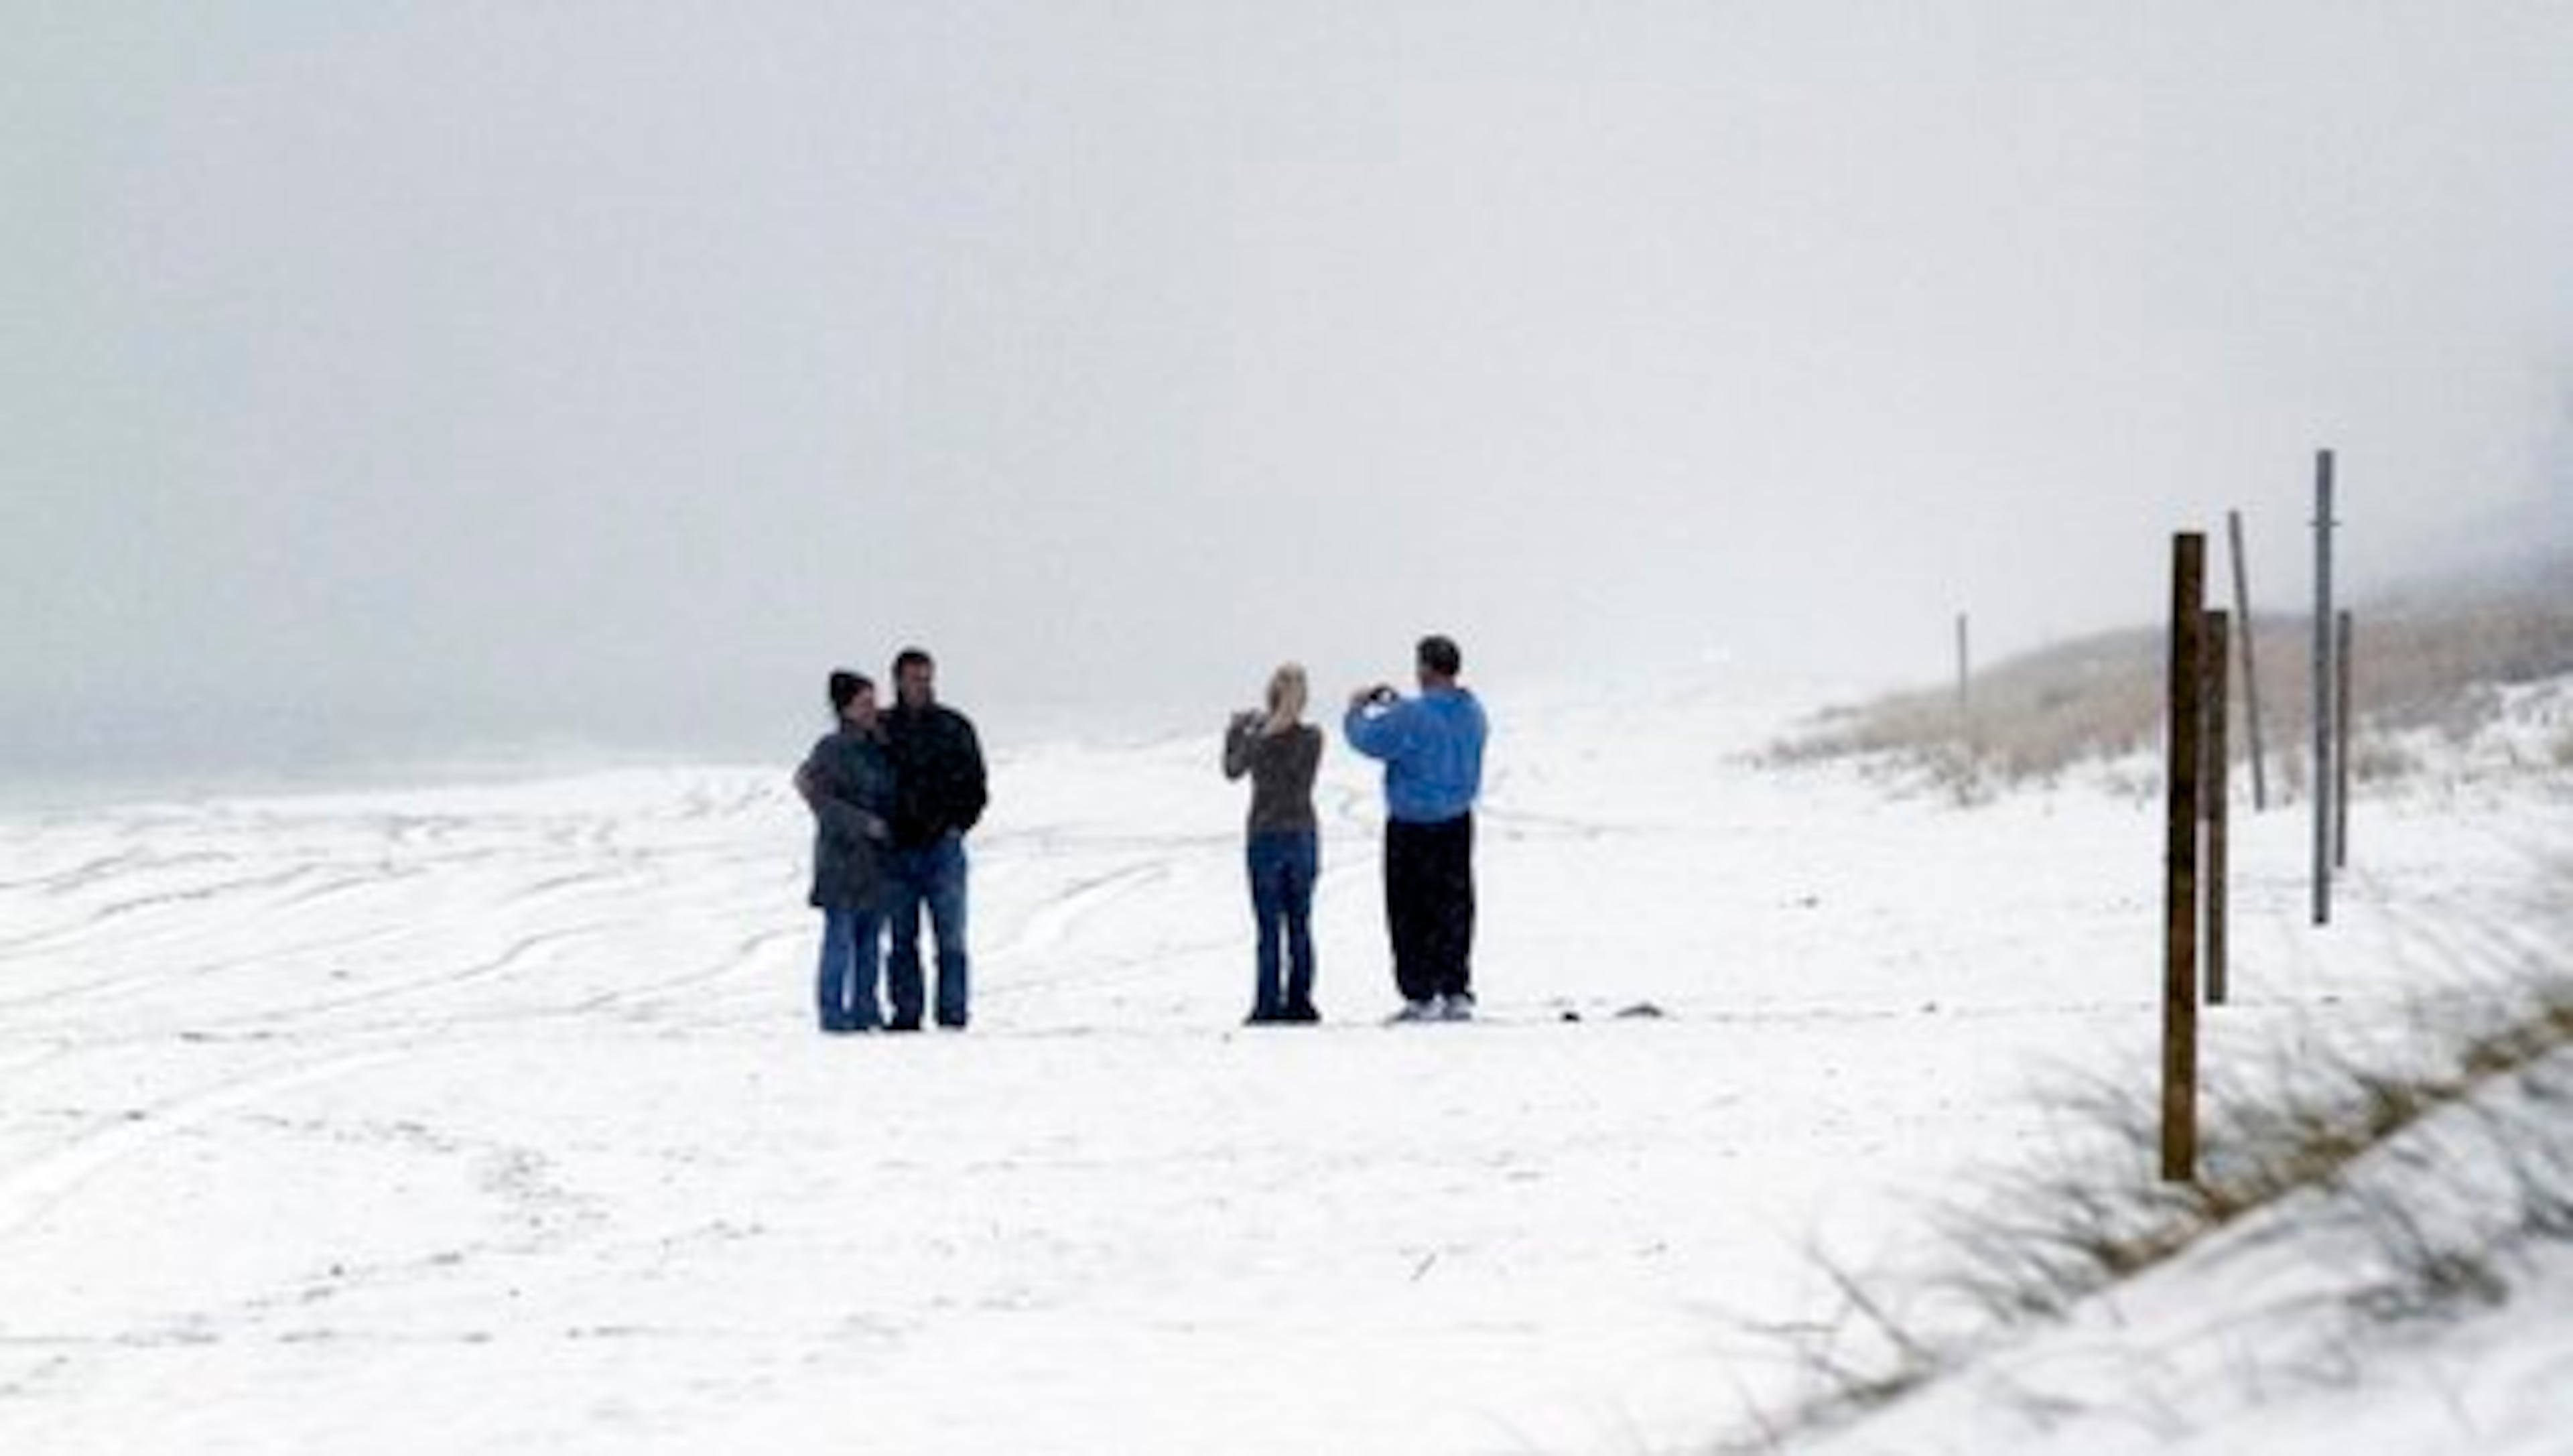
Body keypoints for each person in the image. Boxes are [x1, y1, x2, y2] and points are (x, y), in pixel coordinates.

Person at [1344, 634, 1488, 1022]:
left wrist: (1356, 709)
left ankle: (1421, 992)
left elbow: (1367, 739)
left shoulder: (1415, 714)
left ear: (1425, 667)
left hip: (1413, 824)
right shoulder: (1473, 711)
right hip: (1457, 821)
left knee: (1409, 911)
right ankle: (1455, 987)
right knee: (1455, 907)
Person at [880, 647, 988, 1031]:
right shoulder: (883, 730)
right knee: (902, 938)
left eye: (926, 678)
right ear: (898, 681)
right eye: (914, 678)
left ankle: (953, 1014)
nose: (922, 686)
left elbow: (975, 785)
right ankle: (906, 1013)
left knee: (951, 940)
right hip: (896, 851)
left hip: (942, 847)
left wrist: (956, 824)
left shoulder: (954, 728)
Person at [1224, 663, 1325, 1025]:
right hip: (1301, 832)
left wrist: (1238, 732)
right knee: (1300, 922)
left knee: (1269, 927)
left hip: (1266, 834)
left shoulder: (1258, 739)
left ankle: (1267, 1002)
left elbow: (1232, 770)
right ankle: (1300, 1000)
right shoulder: (1312, 738)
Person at [797, 669, 896, 1034]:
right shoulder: (831, 750)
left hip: (876, 863)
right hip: (842, 861)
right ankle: (833, 1013)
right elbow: (821, 800)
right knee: (840, 938)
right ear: (846, 709)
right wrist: (863, 824)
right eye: (865, 703)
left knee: (870, 941)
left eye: (874, 702)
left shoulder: (880, 748)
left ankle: (866, 1009)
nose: (873, 709)